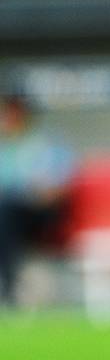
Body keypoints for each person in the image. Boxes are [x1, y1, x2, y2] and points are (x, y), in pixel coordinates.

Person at [0, 95, 74, 308]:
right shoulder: (3, 146)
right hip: (8, 215)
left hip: (41, 214)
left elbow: (57, 189)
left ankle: (10, 287)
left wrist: (39, 191)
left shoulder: (45, 143)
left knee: (6, 211)